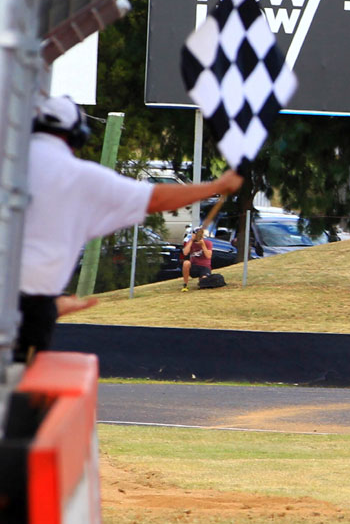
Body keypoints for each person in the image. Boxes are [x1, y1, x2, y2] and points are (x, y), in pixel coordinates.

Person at [18, 95, 243, 361]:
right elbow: (155, 198)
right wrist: (216, 187)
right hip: (29, 305)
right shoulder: (80, 176)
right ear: (77, 135)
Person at [180, 227, 213, 291]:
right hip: (194, 266)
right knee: (186, 263)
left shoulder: (208, 243)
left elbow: (208, 256)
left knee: (204, 284)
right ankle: (185, 285)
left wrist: (203, 245)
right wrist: (191, 240)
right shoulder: (190, 242)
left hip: (205, 266)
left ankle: (201, 280)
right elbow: (185, 253)